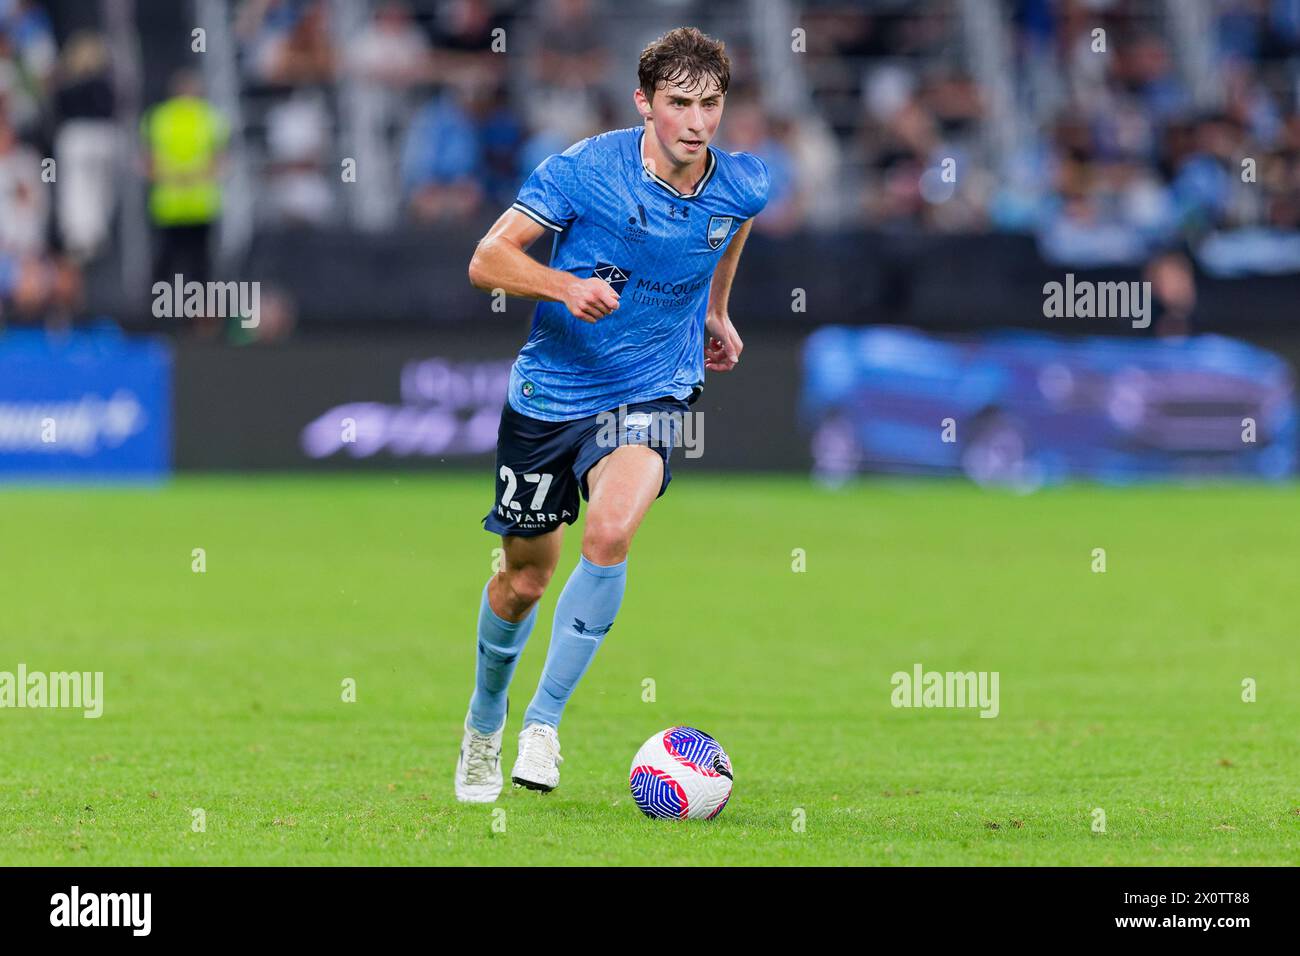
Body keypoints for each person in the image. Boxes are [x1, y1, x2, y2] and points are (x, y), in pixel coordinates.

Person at [455, 26, 770, 802]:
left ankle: (543, 725)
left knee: (611, 529)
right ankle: (484, 721)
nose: (697, 123)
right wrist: (564, 288)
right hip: (551, 393)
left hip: (653, 387)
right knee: (525, 581)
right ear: (644, 103)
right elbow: (486, 260)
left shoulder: (744, 183)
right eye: (679, 104)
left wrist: (716, 312)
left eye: (711, 105)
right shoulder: (584, 170)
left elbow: (732, 230)